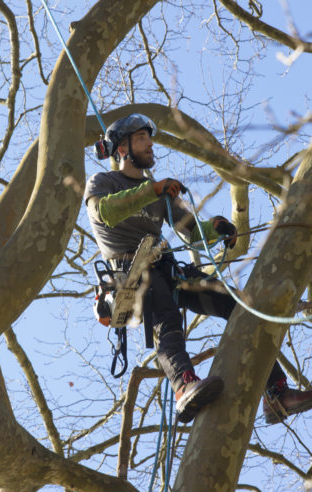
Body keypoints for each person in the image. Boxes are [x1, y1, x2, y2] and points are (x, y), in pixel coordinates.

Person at [85, 113, 312, 424]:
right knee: (166, 318)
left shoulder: (157, 189)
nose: (150, 144)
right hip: (130, 274)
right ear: (122, 149)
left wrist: (217, 227)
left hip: (167, 269)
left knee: (237, 303)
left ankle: (276, 392)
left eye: (149, 138)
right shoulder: (104, 183)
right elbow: (104, 213)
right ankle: (183, 386)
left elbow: (192, 231)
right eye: (141, 139)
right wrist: (152, 192)